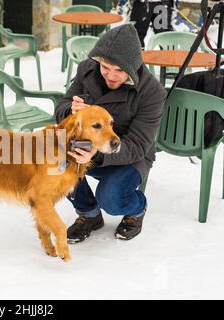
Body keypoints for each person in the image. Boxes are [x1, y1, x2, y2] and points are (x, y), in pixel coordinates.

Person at [55, 23, 167, 242]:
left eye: (119, 70)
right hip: (87, 146)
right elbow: (61, 108)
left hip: (128, 154)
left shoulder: (152, 92)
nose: (111, 75)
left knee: (111, 198)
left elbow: (137, 145)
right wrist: (70, 110)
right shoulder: (87, 68)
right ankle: (89, 214)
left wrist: (95, 153)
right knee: (54, 158)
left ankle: (137, 209)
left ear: (133, 68)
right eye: (106, 67)